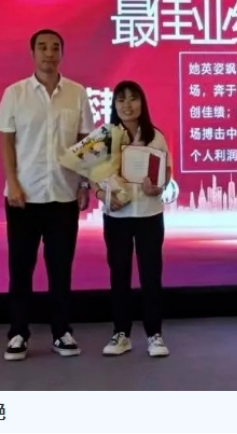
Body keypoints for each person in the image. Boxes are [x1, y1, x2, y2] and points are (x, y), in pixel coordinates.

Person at [0, 29, 94, 361]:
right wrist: (13, 182)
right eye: (42, 47)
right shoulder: (15, 93)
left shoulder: (77, 93)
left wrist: (84, 184)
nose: (49, 53)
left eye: (55, 48)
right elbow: (6, 141)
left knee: (60, 269)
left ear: (62, 53)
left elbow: (86, 143)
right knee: (21, 269)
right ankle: (18, 333)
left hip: (63, 195)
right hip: (23, 196)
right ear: (32, 53)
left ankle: (62, 332)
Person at [91, 81, 172, 358]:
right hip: (117, 216)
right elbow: (88, 172)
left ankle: (155, 335)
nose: (127, 105)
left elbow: (166, 170)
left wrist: (158, 187)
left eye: (133, 99)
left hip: (149, 214)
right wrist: (102, 195)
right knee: (119, 274)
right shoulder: (103, 136)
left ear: (142, 103)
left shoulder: (155, 136)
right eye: (121, 100)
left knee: (151, 276)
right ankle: (121, 334)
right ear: (114, 105)